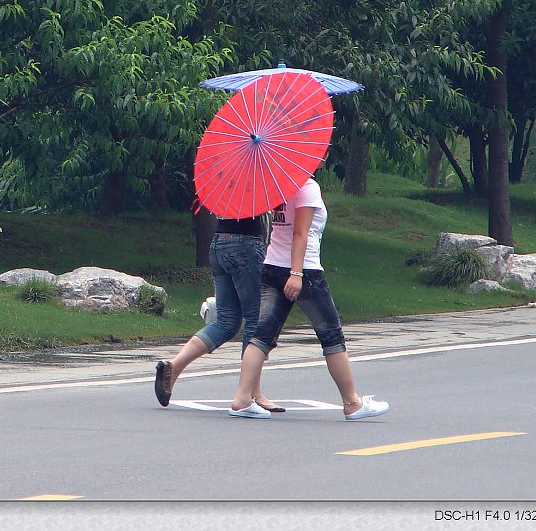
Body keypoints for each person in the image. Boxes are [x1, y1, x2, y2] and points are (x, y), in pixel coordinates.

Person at [227, 177, 390, 420]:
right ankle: (352, 402)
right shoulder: (307, 187)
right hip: (304, 270)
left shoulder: (279, 184)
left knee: (261, 335)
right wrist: (296, 273)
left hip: (272, 265)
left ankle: (241, 398)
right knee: (332, 336)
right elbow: (300, 233)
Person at [154, 212, 282, 411]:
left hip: (219, 242)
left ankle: (174, 366)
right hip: (246, 245)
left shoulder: (225, 182)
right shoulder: (253, 183)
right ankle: (251, 393)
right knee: (255, 320)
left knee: (226, 322)